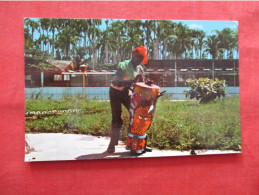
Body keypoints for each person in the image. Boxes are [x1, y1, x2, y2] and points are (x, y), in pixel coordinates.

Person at [107, 46, 148, 153]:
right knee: (117, 118)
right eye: (138, 57)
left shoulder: (139, 68)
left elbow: (141, 82)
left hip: (125, 92)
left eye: (141, 58)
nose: (139, 60)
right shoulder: (123, 66)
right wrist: (132, 80)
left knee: (136, 115)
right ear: (133, 56)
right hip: (115, 92)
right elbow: (117, 82)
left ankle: (136, 143)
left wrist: (147, 83)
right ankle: (112, 144)